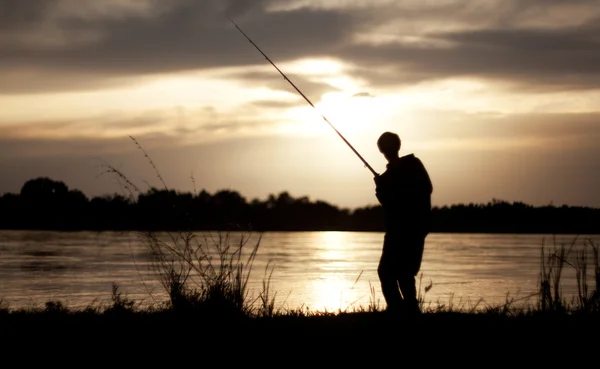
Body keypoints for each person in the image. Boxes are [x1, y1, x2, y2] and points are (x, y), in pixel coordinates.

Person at [373, 131, 433, 315]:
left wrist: (383, 189)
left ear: (383, 150)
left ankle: (403, 310)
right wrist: (382, 188)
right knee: (400, 272)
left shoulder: (407, 167)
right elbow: (390, 203)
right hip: (409, 228)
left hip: (405, 229)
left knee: (396, 272)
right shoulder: (410, 166)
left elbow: (394, 202)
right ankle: (404, 310)